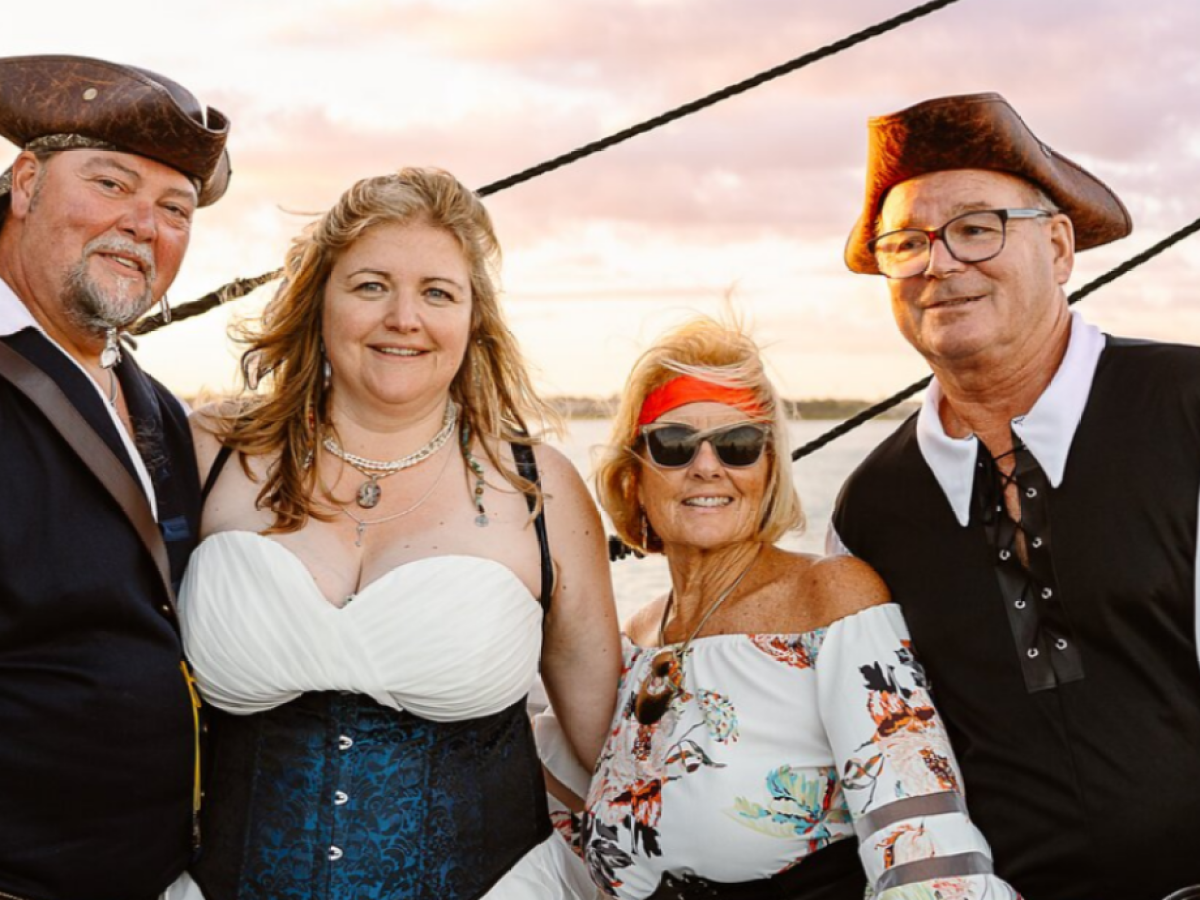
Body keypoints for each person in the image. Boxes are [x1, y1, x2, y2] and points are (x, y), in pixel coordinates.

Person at [179, 166, 620, 900]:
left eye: (438, 293)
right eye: (371, 285)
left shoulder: (540, 490)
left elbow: (607, 744)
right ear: (318, 299)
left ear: (474, 320)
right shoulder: (213, 453)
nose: (404, 318)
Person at [830, 92, 1200, 899]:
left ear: (1059, 248)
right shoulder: (870, 510)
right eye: (906, 244)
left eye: (976, 228)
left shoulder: (1187, 408)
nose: (939, 264)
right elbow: (891, 758)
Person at [582, 317, 1019, 899]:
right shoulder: (636, 639)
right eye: (674, 444)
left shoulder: (829, 597)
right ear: (634, 474)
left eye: (738, 445)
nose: (707, 466)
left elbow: (917, 826)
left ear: (767, 472)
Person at [0, 55, 230, 900]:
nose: (143, 225)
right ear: (27, 184)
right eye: (110, 184)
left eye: (175, 209)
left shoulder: (156, 407)